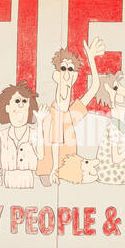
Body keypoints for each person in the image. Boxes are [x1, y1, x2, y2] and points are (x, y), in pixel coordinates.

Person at [36, 38, 106, 185]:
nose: (66, 73)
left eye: (70, 69)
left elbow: (94, 87)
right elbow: (54, 142)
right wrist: (55, 168)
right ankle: (85, 164)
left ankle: (86, 163)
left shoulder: (71, 113)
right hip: (51, 170)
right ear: (56, 75)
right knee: (89, 175)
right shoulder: (52, 115)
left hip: (67, 164)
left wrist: (91, 59)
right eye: (63, 68)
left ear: (74, 75)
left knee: (92, 173)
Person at [93, 72, 125, 185]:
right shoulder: (114, 128)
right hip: (113, 178)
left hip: (122, 177)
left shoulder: (123, 124)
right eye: (117, 88)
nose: (124, 91)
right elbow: (115, 159)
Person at [0, 81, 43, 190]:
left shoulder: (35, 134)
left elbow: (41, 156)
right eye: (17, 101)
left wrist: (40, 123)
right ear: (7, 107)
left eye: (24, 101)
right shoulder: (1, 136)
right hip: (5, 183)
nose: (21, 105)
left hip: (29, 182)